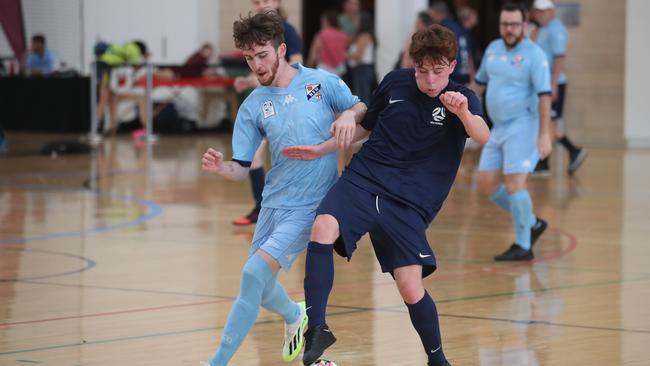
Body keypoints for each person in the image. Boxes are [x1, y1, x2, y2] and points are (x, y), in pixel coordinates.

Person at [283, 24, 490, 366]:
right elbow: (366, 126)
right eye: (423, 72)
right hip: (365, 179)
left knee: (410, 286)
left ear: (451, 67)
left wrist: (464, 112)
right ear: (413, 64)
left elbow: (483, 135)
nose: (430, 80)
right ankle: (317, 329)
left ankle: (437, 359)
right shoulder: (395, 82)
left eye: (438, 72)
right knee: (322, 227)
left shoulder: (461, 98)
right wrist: (323, 149)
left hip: (409, 203)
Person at [200, 11, 366, 366]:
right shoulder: (252, 107)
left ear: (281, 50)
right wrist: (220, 168)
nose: (256, 65)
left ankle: (216, 362)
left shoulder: (320, 83)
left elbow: (360, 106)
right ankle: (294, 314)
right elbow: (240, 169)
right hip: (274, 203)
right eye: (249, 58)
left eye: (262, 55)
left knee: (251, 274)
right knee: (258, 288)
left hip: (312, 205)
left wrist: (351, 115)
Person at [470, 2, 551, 261]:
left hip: (524, 124)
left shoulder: (535, 55)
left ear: (524, 26)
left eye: (515, 24)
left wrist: (544, 134)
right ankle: (532, 222)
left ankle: (524, 245)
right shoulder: (493, 50)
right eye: (505, 24)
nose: (509, 29)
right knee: (485, 183)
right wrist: (462, 107)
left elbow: (545, 96)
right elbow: (479, 84)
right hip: (498, 127)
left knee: (515, 183)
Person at [231, 0, 304, 226]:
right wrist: (248, 81)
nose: (263, 5)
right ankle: (261, 209)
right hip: (267, 103)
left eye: (268, 0)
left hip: (290, 103)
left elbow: (296, 64)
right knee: (253, 156)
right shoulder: (257, 35)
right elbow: (263, 72)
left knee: (297, 156)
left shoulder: (287, 30)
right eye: (259, 1)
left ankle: (301, 209)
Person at [530, 0, 587, 176]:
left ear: (551, 11)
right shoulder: (543, 28)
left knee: (548, 123)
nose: (539, 14)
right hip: (544, 83)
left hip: (553, 84)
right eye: (537, 11)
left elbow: (559, 57)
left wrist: (553, 84)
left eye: (543, 11)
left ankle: (571, 151)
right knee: (545, 122)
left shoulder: (555, 29)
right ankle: (545, 162)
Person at [94, 40, 149, 135]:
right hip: (105, 67)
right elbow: (137, 66)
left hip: (103, 66)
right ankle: (97, 127)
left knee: (111, 99)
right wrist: (147, 58)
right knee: (103, 99)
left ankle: (112, 128)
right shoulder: (134, 49)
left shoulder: (125, 46)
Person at [430, 1, 474, 85]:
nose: (431, 17)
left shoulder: (441, 28)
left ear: (437, 13)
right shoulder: (459, 27)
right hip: (464, 73)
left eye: (432, 13)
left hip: (451, 73)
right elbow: (469, 53)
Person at [307, 10, 349, 77]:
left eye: (323, 20)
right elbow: (345, 53)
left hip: (324, 67)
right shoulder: (343, 35)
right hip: (338, 69)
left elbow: (313, 54)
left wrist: (308, 67)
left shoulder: (322, 34)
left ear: (328, 21)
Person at [347, 14, 376, 105]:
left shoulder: (364, 36)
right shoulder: (361, 36)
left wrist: (346, 55)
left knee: (362, 98)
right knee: (362, 96)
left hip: (362, 69)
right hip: (362, 69)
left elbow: (359, 56)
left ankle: (365, 118)